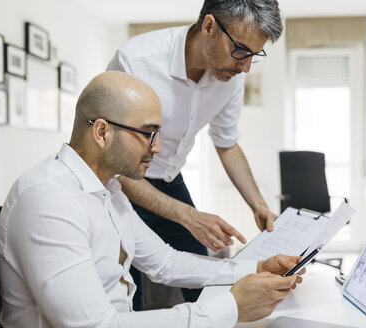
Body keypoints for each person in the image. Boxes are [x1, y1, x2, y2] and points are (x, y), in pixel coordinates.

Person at [0, 71, 303, 328]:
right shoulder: (48, 199)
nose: (157, 148)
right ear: (102, 132)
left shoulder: (109, 191)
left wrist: (257, 266)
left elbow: (166, 262)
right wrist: (232, 307)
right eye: (148, 133)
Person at [107, 0, 283, 305]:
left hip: (169, 178)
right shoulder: (136, 61)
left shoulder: (232, 75)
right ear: (209, 26)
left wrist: (259, 206)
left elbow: (226, 142)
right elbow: (114, 164)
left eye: (254, 55)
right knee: (125, 287)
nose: (246, 67)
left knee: (203, 281)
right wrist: (188, 215)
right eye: (241, 50)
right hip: (121, 181)